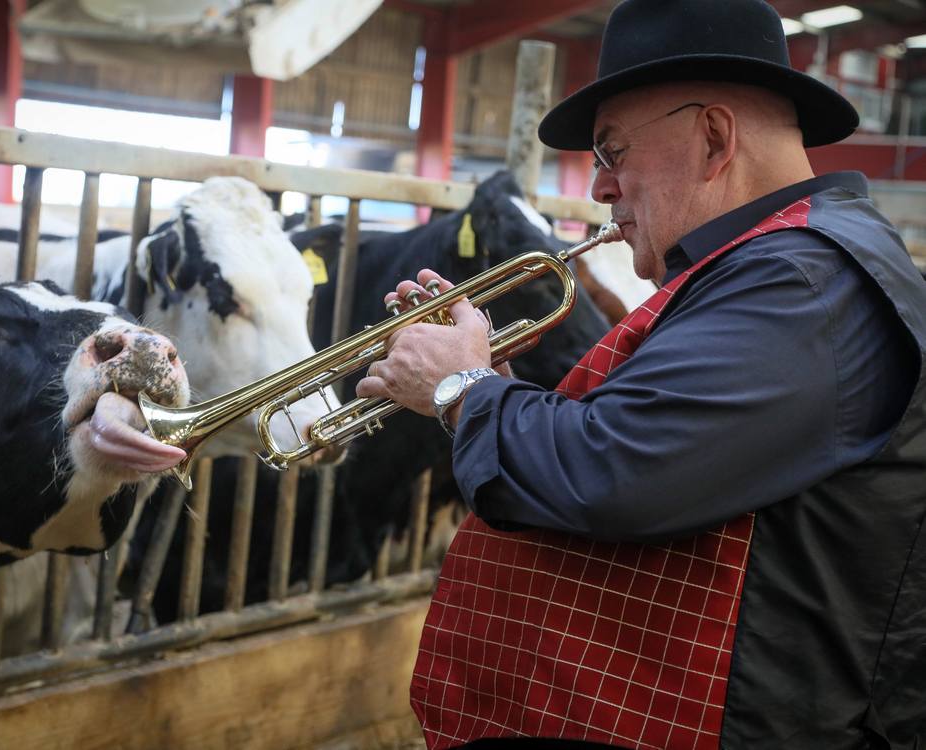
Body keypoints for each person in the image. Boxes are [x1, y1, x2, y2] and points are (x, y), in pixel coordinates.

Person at [355, 0, 926, 748]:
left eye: (612, 153)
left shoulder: (801, 278)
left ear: (715, 138)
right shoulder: (773, 267)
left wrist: (464, 390)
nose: (599, 188)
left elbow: (614, 468)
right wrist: (485, 377)